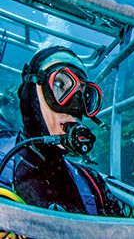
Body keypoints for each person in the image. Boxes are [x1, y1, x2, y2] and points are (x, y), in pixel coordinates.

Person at [11, 45, 122, 216]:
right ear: (30, 94)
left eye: (85, 95)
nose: (75, 106)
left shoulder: (93, 183)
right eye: (60, 84)